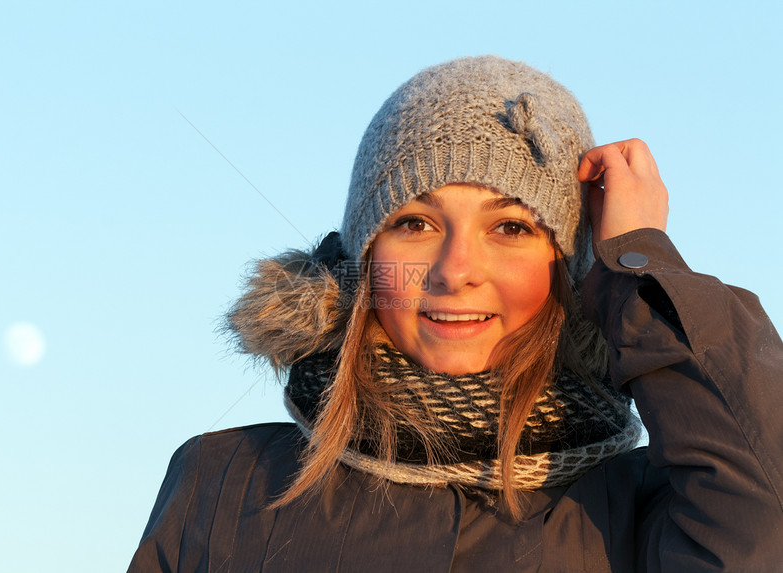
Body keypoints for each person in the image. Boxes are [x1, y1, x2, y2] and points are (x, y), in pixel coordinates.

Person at [127, 56, 783, 572]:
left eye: (512, 229)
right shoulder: (223, 483)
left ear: (571, 270)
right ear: (363, 261)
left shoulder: (644, 510)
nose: (454, 268)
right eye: (414, 222)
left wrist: (639, 265)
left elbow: (763, 523)